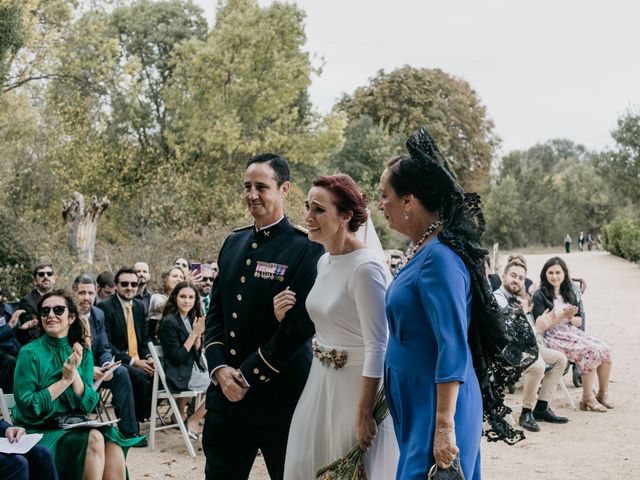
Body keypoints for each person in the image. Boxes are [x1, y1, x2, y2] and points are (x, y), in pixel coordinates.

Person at [202, 153, 324, 480]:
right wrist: (219, 370)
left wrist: (247, 375)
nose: (252, 194)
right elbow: (215, 315)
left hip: (279, 397)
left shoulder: (307, 248)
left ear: (284, 189)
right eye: (247, 187)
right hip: (225, 400)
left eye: (261, 187)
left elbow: (298, 328)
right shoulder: (233, 242)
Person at [275, 175, 398, 479]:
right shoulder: (324, 261)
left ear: (345, 216)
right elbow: (329, 319)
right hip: (320, 382)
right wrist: (285, 317)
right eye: (307, 207)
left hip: (356, 388)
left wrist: (364, 411)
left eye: (318, 209)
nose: (307, 217)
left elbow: (378, 345)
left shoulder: (366, 268)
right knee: (307, 460)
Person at [12, 289, 143, 480]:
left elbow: (89, 404)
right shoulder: (29, 353)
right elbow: (29, 406)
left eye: (58, 310)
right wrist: (65, 380)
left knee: (113, 442)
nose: (51, 315)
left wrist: (75, 375)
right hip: (41, 429)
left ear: (71, 317)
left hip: (74, 426)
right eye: (45, 311)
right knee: (96, 437)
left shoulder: (83, 351)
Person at [493, 261, 569, 432]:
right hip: (507, 351)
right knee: (538, 365)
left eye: (521, 278)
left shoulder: (517, 299)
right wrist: (538, 328)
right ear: (503, 276)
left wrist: (539, 323)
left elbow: (525, 332)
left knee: (560, 359)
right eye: (513, 275)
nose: (517, 281)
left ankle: (541, 407)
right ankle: (526, 412)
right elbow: (510, 337)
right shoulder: (498, 299)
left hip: (527, 346)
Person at [532, 257, 613, 412]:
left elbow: (578, 321)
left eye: (558, 272)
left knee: (605, 349)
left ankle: (602, 394)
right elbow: (542, 327)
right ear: (545, 274)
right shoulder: (539, 295)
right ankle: (587, 398)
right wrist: (562, 315)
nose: (554, 276)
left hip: (571, 332)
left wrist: (570, 317)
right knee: (590, 350)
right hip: (551, 337)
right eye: (550, 272)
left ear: (564, 274)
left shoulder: (569, 292)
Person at [72, 275, 141, 440]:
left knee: (122, 372)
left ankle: (129, 431)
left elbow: (104, 347)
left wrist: (107, 365)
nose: (87, 298)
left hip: (99, 369)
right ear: (73, 293)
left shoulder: (98, 314)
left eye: (90, 293)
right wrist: (88, 370)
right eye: (82, 293)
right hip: (74, 371)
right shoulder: (66, 316)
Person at [97, 268, 155, 423]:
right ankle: (131, 422)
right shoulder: (105, 307)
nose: (130, 287)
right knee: (140, 377)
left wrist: (149, 357)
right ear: (116, 285)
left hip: (139, 358)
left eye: (133, 284)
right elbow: (107, 345)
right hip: (116, 361)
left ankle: (143, 417)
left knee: (161, 372)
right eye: (124, 284)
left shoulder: (139, 306)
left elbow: (144, 339)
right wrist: (134, 362)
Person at [158, 281, 208, 439]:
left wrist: (198, 336)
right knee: (218, 385)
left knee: (219, 378)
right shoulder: (169, 322)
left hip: (190, 369)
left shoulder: (191, 317)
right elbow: (177, 358)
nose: (187, 301)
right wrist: (194, 334)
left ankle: (183, 415)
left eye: (191, 297)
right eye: (183, 296)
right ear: (175, 298)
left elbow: (196, 353)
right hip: (177, 372)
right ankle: (194, 419)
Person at [16, 264, 56, 345]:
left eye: (49, 273)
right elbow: (31, 332)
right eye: (41, 274)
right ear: (35, 281)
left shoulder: (62, 298)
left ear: (54, 279)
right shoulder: (27, 301)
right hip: (40, 343)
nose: (45, 276)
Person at [148, 267, 185, 342]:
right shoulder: (156, 297)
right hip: (157, 343)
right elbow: (163, 307)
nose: (179, 279)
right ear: (166, 279)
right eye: (175, 276)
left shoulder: (184, 301)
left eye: (182, 277)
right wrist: (178, 290)